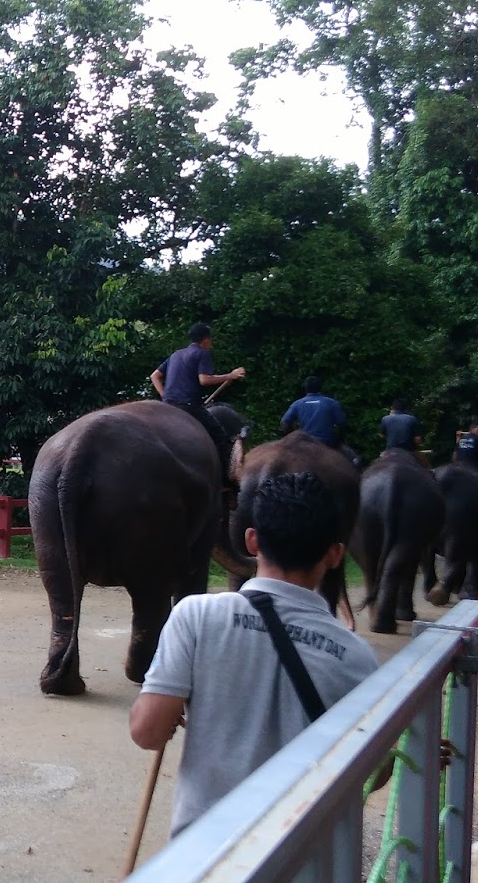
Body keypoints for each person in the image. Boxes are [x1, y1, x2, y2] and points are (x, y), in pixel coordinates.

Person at [128, 471, 379, 836]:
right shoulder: (358, 658)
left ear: (252, 540)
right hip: (303, 857)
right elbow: (374, 769)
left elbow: (147, 732)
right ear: (336, 554)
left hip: (206, 855)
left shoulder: (196, 616)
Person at [150, 323, 245, 478]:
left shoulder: (176, 354)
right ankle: (223, 477)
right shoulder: (202, 353)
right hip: (189, 406)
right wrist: (230, 375)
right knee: (220, 436)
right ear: (206, 339)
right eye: (210, 339)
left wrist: (164, 396)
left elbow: (154, 376)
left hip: (168, 406)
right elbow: (204, 380)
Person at [280, 376, 347, 449]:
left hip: (305, 443)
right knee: (352, 457)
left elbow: (284, 423)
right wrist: (338, 441)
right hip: (327, 443)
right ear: (320, 387)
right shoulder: (332, 403)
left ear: (305, 388)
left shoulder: (297, 404)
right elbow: (342, 424)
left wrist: (294, 437)